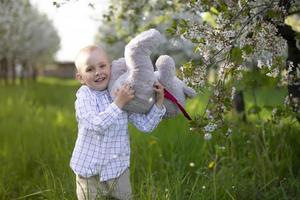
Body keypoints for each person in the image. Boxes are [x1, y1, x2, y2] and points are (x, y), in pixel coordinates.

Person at [70, 45, 166, 200]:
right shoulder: (84, 97)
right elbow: (96, 125)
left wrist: (159, 102)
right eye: (90, 69)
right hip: (89, 171)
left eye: (102, 66)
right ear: (80, 77)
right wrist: (118, 103)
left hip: (117, 168)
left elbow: (145, 125)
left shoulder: (119, 92)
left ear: (110, 67)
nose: (98, 72)